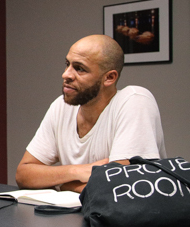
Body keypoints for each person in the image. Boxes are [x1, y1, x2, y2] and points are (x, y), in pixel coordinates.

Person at [16, 35, 166, 193]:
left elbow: (122, 188)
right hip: (74, 215)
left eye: (79, 68)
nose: (66, 74)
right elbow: (24, 174)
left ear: (109, 78)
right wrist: (77, 171)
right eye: (67, 64)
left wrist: (65, 185)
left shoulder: (134, 100)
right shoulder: (61, 106)